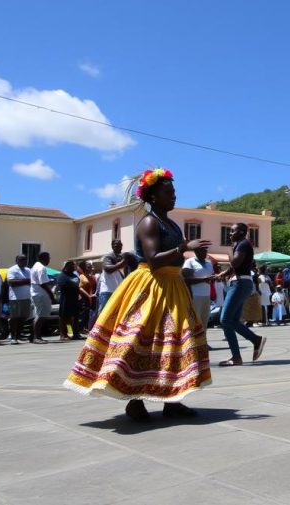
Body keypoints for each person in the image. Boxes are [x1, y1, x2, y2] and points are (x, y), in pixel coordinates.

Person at [66, 167, 212, 421]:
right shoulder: (149, 222)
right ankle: (134, 401)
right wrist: (183, 247)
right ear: (153, 197)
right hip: (152, 286)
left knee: (174, 344)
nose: (174, 197)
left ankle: (172, 399)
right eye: (168, 193)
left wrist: (182, 248)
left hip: (173, 286)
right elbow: (153, 259)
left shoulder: (171, 224)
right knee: (141, 340)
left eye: (174, 192)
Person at [215, 222, 266, 366]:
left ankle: (247, 347)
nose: (230, 234)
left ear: (242, 232)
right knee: (233, 321)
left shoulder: (243, 244)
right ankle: (244, 350)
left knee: (225, 320)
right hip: (240, 283)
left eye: (232, 231)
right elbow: (237, 264)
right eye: (230, 231)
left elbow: (236, 263)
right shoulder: (241, 244)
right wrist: (225, 273)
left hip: (239, 284)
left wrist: (225, 268)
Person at [182, 247, 216, 336]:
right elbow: (186, 280)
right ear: (196, 251)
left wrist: (214, 278)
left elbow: (210, 277)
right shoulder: (189, 262)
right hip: (195, 295)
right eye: (202, 251)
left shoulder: (209, 263)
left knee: (204, 320)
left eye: (206, 251)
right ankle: (192, 342)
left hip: (206, 295)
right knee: (194, 321)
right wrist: (204, 279)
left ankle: (203, 342)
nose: (205, 253)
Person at [96, 239, 128, 327]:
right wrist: (121, 264)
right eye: (116, 245)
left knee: (116, 313)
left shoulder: (122, 257)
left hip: (118, 290)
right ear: (112, 246)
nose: (118, 246)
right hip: (107, 290)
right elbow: (107, 268)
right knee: (104, 313)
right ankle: (99, 331)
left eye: (120, 245)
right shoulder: (108, 257)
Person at [6, 254, 34, 344]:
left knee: (23, 317)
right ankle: (13, 336)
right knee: (14, 317)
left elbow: (32, 281)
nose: (23, 261)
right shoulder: (12, 269)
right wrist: (26, 281)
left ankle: (18, 335)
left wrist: (25, 281)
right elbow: (11, 282)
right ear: (16, 261)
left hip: (26, 297)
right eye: (21, 260)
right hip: (15, 298)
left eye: (25, 260)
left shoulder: (28, 270)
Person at [29, 252, 55, 343]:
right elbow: (43, 283)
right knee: (41, 315)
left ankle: (33, 336)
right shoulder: (41, 267)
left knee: (38, 315)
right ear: (44, 258)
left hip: (36, 294)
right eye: (48, 258)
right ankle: (37, 337)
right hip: (41, 294)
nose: (49, 260)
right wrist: (51, 294)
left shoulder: (35, 266)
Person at [55, 260, 83, 340]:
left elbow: (77, 285)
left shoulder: (74, 275)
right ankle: (62, 334)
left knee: (74, 318)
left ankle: (72, 333)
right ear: (66, 266)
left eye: (73, 265)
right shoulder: (62, 276)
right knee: (64, 318)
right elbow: (62, 285)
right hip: (66, 299)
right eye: (70, 265)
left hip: (75, 299)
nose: (72, 267)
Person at [77, 260, 97, 335]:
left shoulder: (92, 276)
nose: (90, 268)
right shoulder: (82, 276)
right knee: (83, 314)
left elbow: (94, 287)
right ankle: (77, 329)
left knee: (87, 314)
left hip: (90, 297)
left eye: (90, 267)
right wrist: (88, 296)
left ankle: (84, 328)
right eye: (88, 267)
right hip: (83, 297)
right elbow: (80, 288)